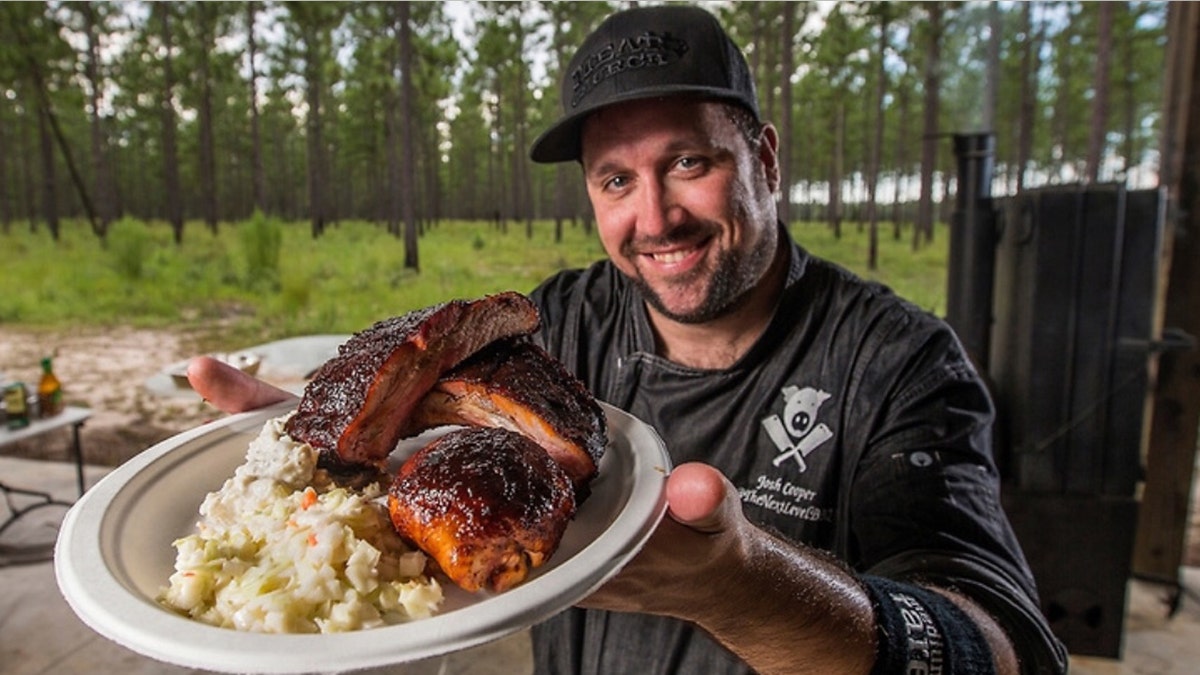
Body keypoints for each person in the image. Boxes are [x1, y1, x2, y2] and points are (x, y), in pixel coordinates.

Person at [191, 6, 1068, 674]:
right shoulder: (558, 324)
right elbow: (407, 455)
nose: (655, 218)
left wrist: (742, 585)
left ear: (764, 158)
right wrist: (322, 469)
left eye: (690, 162)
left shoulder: (898, 360)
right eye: (617, 178)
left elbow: (1008, 648)